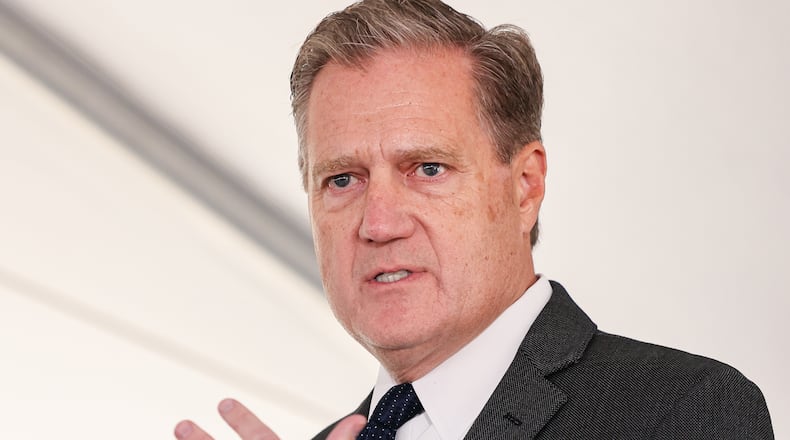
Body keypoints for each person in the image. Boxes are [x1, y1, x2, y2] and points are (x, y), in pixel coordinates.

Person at [174, 1, 774, 439]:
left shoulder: (682, 413)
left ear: (524, 187)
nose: (378, 223)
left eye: (427, 168)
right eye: (341, 180)